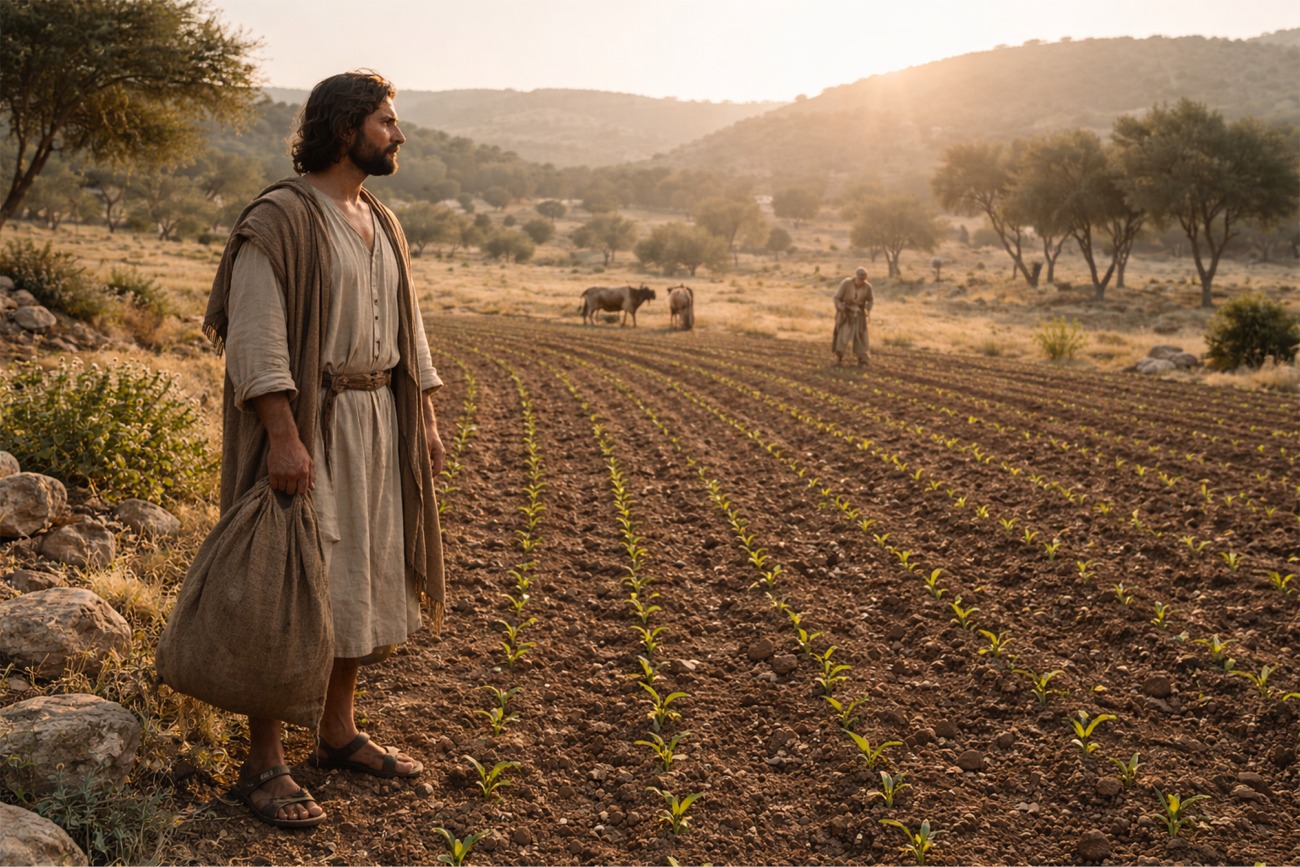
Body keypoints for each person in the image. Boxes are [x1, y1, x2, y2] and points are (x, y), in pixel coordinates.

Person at [202, 70, 446, 829]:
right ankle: (263, 760)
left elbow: (408, 326)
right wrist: (283, 435)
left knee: (358, 574)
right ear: (345, 129)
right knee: (290, 582)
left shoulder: (382, 220)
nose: (398, 134)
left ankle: (337, 732)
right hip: (312, 422)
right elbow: (255, 335)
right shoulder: (279, 219)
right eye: (386, 121)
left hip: (378, 423)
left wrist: (424, 415)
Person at [833, 266, 874, 366]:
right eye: (860, 277)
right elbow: (837, 298)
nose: (861, 280)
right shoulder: (846, 283)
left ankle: (862, 358)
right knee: (843, 335)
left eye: (864, 278)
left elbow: (870, 300)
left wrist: (867, 308)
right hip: (846, 313)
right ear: (856, 276)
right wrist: (841, 307)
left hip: (859, 314)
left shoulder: (868, 287)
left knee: (861, 336)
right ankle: (839, 357)